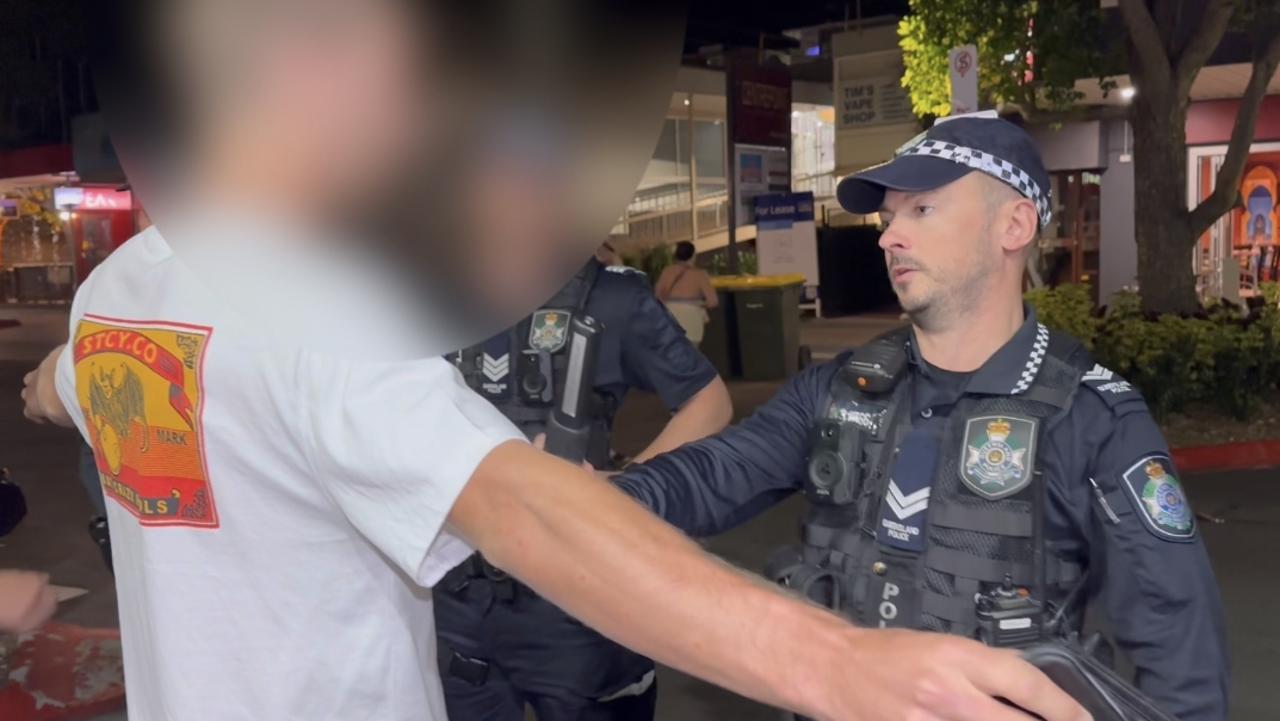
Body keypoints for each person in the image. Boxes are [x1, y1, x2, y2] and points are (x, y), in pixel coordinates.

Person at [18, 3, 1090, 719]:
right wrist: (836, 662)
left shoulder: (121, 295)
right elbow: (522, 507)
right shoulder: (321, 317)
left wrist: (53, 392)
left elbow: (64, 386)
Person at [615, 116, 1230, 721]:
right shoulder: (837, 388)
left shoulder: (1094, 419)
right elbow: (706, 476)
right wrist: (586, 495)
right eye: (887, 219)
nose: (887, 238)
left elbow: (1182, 655)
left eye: (922, 211)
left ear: (1013, 224)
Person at [438, 247, 733, 721]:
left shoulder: (610, 296)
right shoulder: (429, 295)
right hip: (455, 594)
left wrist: (627, 487)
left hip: (577, 600)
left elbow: (708, 400)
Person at [655, 241, 718, 345]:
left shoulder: (667, 271)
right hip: (691, 318)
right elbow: (713, 301)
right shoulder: (700, 275)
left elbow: (657, 295)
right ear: (693, 256)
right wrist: (699, 304)